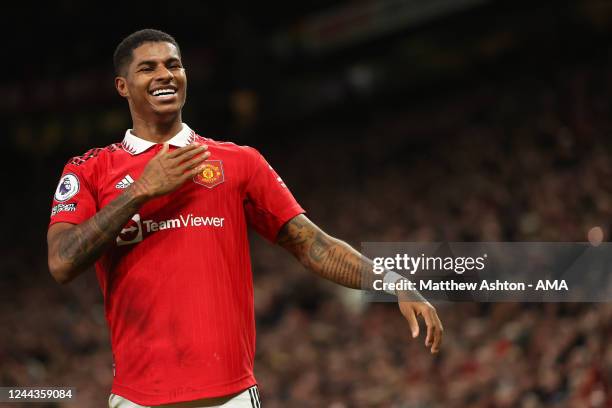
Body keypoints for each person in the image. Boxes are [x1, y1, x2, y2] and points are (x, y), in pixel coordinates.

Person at [47, 29, 443, 408]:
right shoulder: (89, 171)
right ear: (122, 86)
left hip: (229, 397)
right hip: (138, 398)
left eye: (174, 65)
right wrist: (139, 192)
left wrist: (391, 281)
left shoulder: (239, 162)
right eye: (148, 68)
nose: (165, 74)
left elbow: (312, 244)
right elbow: (62, 262)